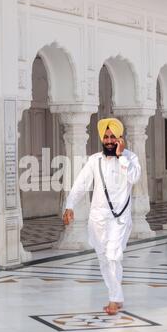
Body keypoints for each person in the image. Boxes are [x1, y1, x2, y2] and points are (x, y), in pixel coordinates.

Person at [63, 117, 141, 315]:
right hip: (97, 217)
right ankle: (116, 296)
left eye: (112, 137)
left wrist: (121, 156)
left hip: (119, 218)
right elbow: (81, 184)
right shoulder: (94, 160)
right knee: (103, 258)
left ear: (120, 138)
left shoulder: (130, 158)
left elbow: (134, 177)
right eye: (105, 137)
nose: (108, 140)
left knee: (113, 256)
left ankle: (115, 299)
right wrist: (70, 205)